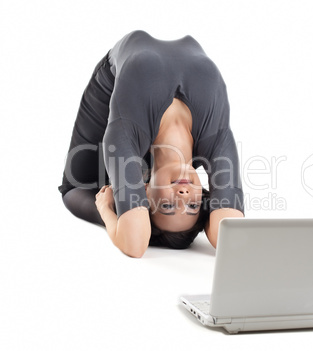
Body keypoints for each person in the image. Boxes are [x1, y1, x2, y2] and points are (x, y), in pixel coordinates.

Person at [58, 30, 245, 257]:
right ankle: (132, 197)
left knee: (75, 188)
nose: (184, 195)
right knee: (95, 184)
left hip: (114, 84)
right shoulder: (216, 141)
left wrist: (106, 209)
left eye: (167, 206)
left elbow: (134, 244)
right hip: (146, 134)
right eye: (193, 206)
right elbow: (233, 240)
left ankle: (125, 197)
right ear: (205, 197)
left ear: (144, 193)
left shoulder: (125, 136)